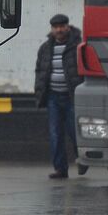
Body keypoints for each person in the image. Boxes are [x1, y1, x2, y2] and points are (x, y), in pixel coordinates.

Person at [35, 13, 86, 179]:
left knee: (75, 132)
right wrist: (39, 93)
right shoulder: (45, 48)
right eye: (55, 27)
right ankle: (60, 169)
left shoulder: (78, 45)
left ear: (68, 27)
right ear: (52, 29)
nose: (59, 30)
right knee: (55, 134)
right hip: (53, 98)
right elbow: (40, 71)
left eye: (62, 27)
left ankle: (83, 161)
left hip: (72, 97)